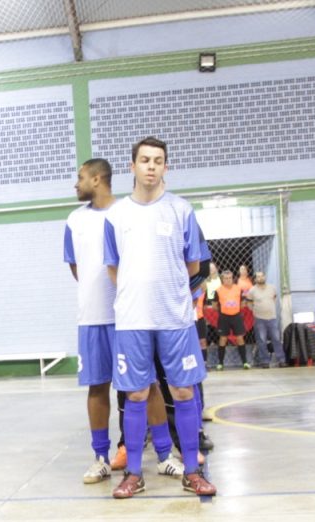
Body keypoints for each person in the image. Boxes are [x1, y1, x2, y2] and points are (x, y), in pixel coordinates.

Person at [102, 136, 215, 498]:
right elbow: (113, 268)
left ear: (166, 167)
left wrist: (167, 293)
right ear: (132, 166)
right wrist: (136, 295)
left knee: (182, 390)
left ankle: (192, 471)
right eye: (145, 160)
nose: (151, 166)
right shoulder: (116, 215)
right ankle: (134, 473)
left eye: (158, 160)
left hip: (175, 318)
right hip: (133, 319)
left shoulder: (181, 210)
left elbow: (194, 265)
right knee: (135, 394)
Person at [63, 158, 122, 484]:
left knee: (141, 387)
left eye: (81, 177)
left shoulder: (126, 213)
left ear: (97, 179)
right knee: (97, 387)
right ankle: (101, 457)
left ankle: (160, 452)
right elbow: (76, 268)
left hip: (128, 316)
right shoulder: (74, 220)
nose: (76, 183)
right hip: (91, 317)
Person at [244, 271, 287, 368]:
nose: (260, 278)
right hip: (259, 319)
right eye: (258, 277)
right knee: (262, 341)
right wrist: (255, 310)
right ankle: (265, 361)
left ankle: (282, 360)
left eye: (261, 276)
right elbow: (249, 303)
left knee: (276, 339)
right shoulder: (252, 291)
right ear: (255, 279)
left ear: (265, 277)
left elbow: (274, 298)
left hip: (272, 318)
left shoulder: (272, 288)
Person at [214, 270, 249, 369]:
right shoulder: (218, 290)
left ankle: (245, 362)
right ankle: (220, 363)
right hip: (224, 317)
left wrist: (235, 309)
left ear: (232, 278)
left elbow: (242, 303)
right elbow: (214, 306)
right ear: (222, 279)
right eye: (226, 278)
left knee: (240, 338)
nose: (228, 280)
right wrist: (224, 310)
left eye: (230, 278)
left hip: (236, 316)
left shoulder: (239, 289)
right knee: (223, 339)